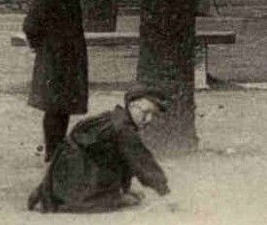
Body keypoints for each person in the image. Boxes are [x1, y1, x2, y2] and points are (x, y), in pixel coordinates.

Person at [27, 84, 171, 213]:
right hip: (78, 175)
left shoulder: (114, 118)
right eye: (145, 112)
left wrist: (124, 188)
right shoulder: (122, 129)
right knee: (123, 201)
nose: (149, 119)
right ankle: (81, 198)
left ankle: (53, 192)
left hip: (67, 171)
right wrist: (164, 191)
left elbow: (123, 160)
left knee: (119, 163)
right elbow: (143, 161)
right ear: (132, 105)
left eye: (153, 114)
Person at [24, 0, 90, 163]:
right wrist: (42, 47)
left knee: (65, 106)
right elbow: (31, 25)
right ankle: (52, 153)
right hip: (53, 57)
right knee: (53, 106)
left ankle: (58, 149)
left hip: (72, 55)